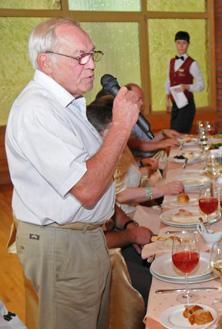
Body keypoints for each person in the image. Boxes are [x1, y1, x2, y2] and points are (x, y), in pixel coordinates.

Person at [5, 18, 141, 329]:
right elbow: (88, 189)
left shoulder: (70, 105)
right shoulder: (37, 110)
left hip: (84, 236)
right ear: (46, 62)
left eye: (93, 54)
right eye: (80, 56)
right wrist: (120, 126)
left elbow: (97, 169)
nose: (91, 64)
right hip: (61, 244)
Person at [87, 95, 184, 217]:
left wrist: (145, 163)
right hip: (129, 214)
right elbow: (122, 196)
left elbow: (126, 166)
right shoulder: (104, 152)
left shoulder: (117, 142)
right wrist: (162, 190)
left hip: (138, 205)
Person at [104, 205, 154, 307]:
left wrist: (130, 225)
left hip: (109, 240)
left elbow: (110, 205)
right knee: (153, 283)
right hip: (88, 258)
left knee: (158, 257)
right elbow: (92, 242)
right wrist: (133, 235)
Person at [125, 83, 181, 158]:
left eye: (143, 99)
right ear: (127, 99)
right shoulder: (125, 118)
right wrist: (161, 144)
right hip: (139, 162)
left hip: (149, 157)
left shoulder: (138, 117)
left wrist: (164, 132)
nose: (142, 103)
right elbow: (132, 143)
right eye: (138, 99)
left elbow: (148, 140)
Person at [165, 31, 204, 133]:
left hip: (187, 105)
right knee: (172, 134)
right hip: (175, 103)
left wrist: (186, 86)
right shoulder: (171, 61)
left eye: (184, 43)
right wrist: (167, 98)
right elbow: (169, 80)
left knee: (179, 134)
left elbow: (201, 85)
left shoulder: (192, 63)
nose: (181, 46)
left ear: (188, 44)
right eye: (178, 43)